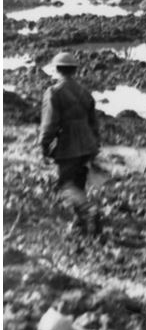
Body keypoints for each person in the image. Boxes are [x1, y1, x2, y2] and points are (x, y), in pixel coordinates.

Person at [39, 51, 102, 236]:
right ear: (74, 70)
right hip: (88, 144)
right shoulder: (85, 92)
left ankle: (90, 212)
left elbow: (49, 123)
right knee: (79, 183)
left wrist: (44, 144)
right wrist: (95, 145)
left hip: (68, 144)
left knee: (65, 185)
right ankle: (80, 224)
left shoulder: (54, 92)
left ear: (57, 70)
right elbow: (94, 123)